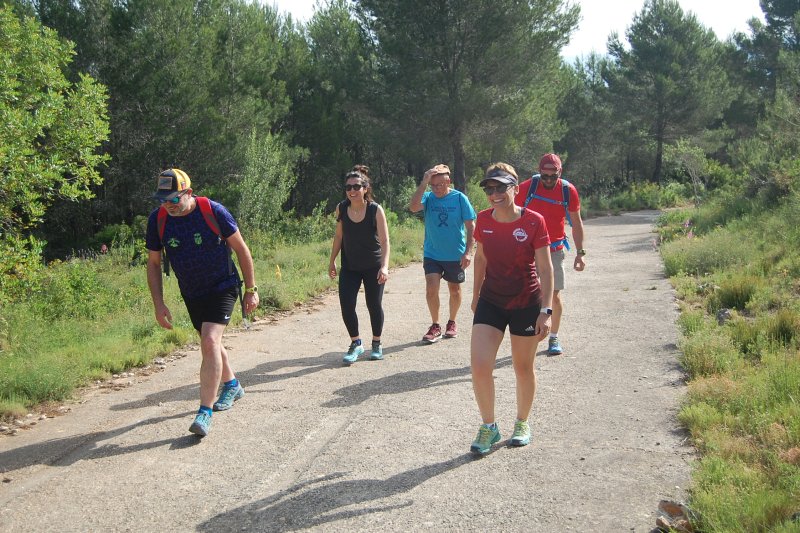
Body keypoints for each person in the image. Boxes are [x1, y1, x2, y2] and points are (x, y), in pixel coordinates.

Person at [145, 168, 259, 437]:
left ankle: (204, 413)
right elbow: (153, 263)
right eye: (163, 200)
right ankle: (232, 384)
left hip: (223, 285)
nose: (168, 205)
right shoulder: (158, 220)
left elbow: (242, 249)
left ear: (188, 193)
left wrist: (251, 289)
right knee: (211, 344)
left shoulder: (214, 211)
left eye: (174, 199)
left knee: (209, 340)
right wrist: (158, 304)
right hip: (192, 292)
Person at [469, 163, 553, 455]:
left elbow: (545, 267)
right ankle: (489, 427)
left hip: (526, 302)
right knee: (479, 366)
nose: (494, 194)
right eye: (489, 189)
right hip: (491, 301)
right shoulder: (482, 220)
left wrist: (546, 309)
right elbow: (480, 259)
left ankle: (522, 422)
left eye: (501, 187)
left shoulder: (533, 221)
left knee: (522, 367)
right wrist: (476, 294)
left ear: (515, 188)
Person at [514, 153, 585, 355]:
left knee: (553, 294)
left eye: (552, 176)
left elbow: (576, 223)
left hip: (554, 248)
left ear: (559, 173)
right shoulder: (529, 187)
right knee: (527, 294)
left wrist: (580, 253)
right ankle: (529, 334)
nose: (547, 180)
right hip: (527, 248)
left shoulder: (567, 191)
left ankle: (553, 337)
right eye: (543, 175)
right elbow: (511, 213)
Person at [328, 165, 391, 365]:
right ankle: (356, 343)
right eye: (348, 188)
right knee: (346, 304)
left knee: (374, 305)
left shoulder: (375, 209)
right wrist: (332, 261)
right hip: (350, 267)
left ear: (365, 188)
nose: (352, 191)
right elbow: (339, 236)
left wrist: (384, 266)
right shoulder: (341, 208)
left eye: (356, 187)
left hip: (373, 266)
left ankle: (377, 343)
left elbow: (385, 241)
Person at [409, 164, 477, 343]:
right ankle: (435, 325)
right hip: (432, 253)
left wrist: (468, 252)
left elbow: (471, 226)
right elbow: (413, 207)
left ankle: (452, 322)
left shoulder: (460, 198)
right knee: (431, 289)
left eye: (440, 184)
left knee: (454, 290)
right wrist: (424, 182)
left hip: (455, 254)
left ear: (449, 181)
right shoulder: (428, 197)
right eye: (433, 185)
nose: (437, 189)